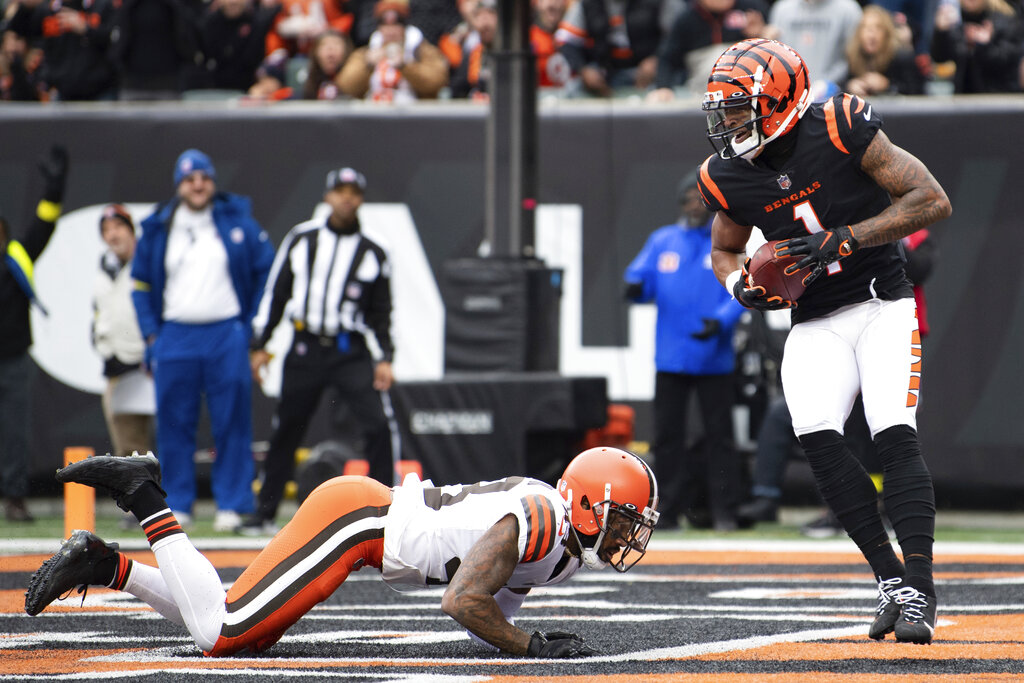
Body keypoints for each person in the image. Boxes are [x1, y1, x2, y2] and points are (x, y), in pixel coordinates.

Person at [698, 39, 951, 643]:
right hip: (813, 318)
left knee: (892, 433)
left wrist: (846, 238)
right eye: (724, 110)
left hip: (881, 303)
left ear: (782, 100)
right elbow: (724, 249)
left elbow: (930, 200)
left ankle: (921, 588)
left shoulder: (839, 126)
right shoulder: (728, 173)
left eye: (740, 108)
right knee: (818, 440)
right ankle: (890, 580)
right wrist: (739, 287)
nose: (730, 122)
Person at [25, 446, 660, 658]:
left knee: (227, 623)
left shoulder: (563, 545)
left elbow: (495, 606)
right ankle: (145, 494)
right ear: (588, 503)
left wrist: (522, 639)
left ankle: (105, 564)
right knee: (224, 635)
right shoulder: (544, 519)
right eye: (626, 517)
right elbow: (463, 601)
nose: (631, 534)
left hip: (363, 523)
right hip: (358, 521)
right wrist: (533, 650)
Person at [241, 167, 398, 536]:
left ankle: (389, 512)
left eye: (353, 192)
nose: (346, 198)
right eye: (340, 191)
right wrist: (261, 344)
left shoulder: (374, 249)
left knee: (378, 425)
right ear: (327, 196)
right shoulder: (302, 238)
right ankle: (264, 513)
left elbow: (382, 311)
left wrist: (385, 356)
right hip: (305, 346)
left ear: (361, 198)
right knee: (286, 429)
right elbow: (277, 293)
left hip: (350, 349)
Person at [131, 149, 275, 531]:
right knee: (174, 422)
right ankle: (177, 502)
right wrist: (151, 336)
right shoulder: (158, 226)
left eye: (205, 177)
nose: (198, 184)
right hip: (175, 334)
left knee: (232, 421)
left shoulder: (235, 219)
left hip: (226, 331)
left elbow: (267, 272)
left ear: (213, 182)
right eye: (190, 178)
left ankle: (233, 503)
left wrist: (250, 327)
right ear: (179, 184)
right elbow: (141, 285)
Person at [624, 169, 745, 531]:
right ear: (680, 203)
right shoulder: (663, 240)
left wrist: (721, 322)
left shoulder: (726, 239)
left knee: (720, 439)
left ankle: (725, 511)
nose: (694, 204)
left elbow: (743, 288)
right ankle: (668, 512)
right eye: (688, 198)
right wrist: (634, 288)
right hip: (672, 358)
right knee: (667, 439)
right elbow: (639, 279)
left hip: (714, 358)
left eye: (700, 198)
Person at [0, 145, 67, 522]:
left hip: (12, 360)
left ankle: (15, 498)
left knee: (14, 434)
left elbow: (44, 225)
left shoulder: (16, 259)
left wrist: (54, 189)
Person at [92, 204, 155, 459]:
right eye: (106, 229)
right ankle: (141, 500)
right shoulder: (104, 268)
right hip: (117, 368)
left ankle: (173, 496)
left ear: (131, 230)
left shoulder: (149, 263)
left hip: (149, 365)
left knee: (167, 440)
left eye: (118, 227)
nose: (113, 234)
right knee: (130, 451)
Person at [555, 0, 685, 97]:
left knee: (669, 90)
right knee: (572, 91)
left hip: (648, 76)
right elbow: (565, 39)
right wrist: (583, 70)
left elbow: (680, 36)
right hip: (606, 75)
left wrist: (657, 59)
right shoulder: (589, 3)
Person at [646, 0, 769, 101]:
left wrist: (759, 38)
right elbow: (667, 59)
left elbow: (772, 57)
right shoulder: (686, 19)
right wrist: (664, 86)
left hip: (749, 92)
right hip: (703, 93)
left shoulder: (752, 9)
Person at [4, 0, 119, 100]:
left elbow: (115, 39)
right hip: (61, 92)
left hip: (100, 91)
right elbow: (18, 30)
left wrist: (86, 29)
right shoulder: (48, 9)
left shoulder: (102, 5)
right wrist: (25, 7)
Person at [337, 0, 448, 102]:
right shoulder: (366, 52)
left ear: (405, 27)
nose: (390, 31)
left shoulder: (422, 50)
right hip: (373, 114)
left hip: (414, 116)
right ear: (379, 28)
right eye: (385, 25)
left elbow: (437, 83)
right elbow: (346, 86)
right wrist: (368, 65)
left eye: (396, 25)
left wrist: (405, 67)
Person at [765, 0, 862, 100]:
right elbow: (776, 56)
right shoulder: (782, 9)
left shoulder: (849, 10)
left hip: (834, 96)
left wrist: (829, 83)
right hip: (789, 95)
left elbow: (855, 59)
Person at [929, 0, 1022, 93]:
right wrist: (941, 32)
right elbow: (939, 57)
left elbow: (1009, 63)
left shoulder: (1004, 22)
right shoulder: (958, 23)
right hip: (963, 99)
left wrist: (984, 45)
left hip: (998, 98)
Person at [190, 0, 279, 92]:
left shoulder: (259, 22)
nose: (233, 2)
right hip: (214, 91)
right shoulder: (207, 24)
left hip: (249, 92)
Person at [844, 5, 926, 97]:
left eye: (878, 28)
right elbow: (841, 85)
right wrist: (850, 86)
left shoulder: (902, 57)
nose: (871, 35)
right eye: (866, 28)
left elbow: (918, 92)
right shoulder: (853, 57)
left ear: (887, 34)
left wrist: (887, 86)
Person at [301, 29, 353, 99]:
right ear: (315, 53)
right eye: (324, 45)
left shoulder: (354, 81)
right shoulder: (311, 83)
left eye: (336, 44)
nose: (330, 49)